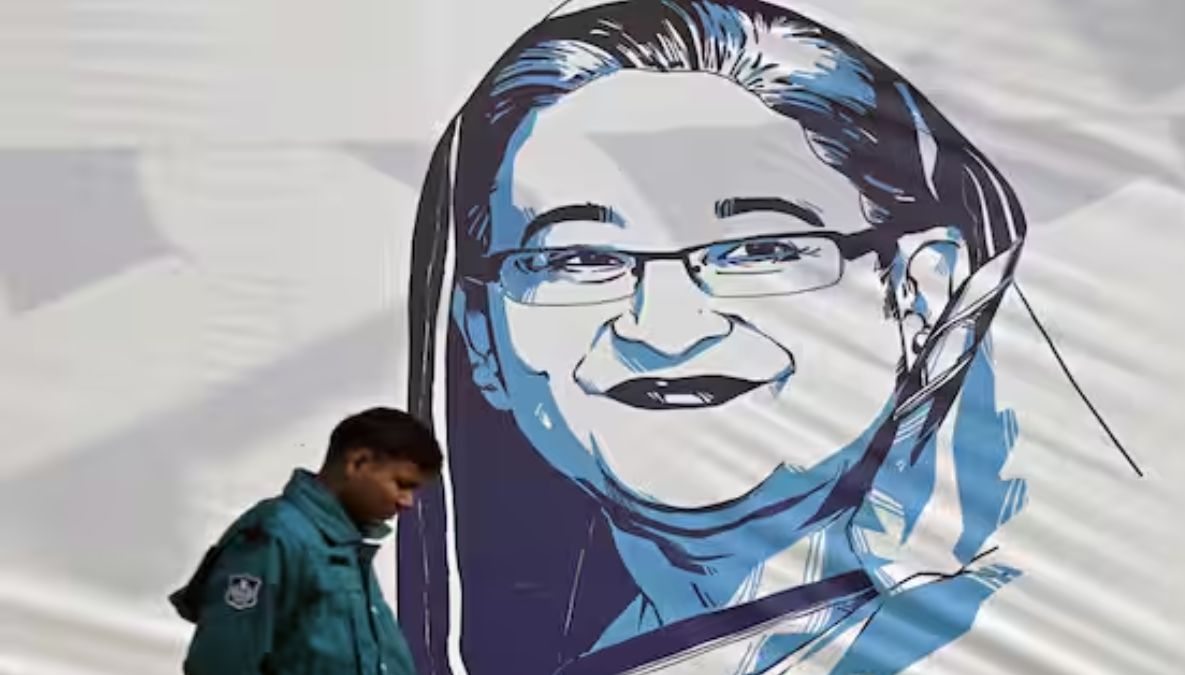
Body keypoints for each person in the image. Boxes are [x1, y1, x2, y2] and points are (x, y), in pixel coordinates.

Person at [399, 1, 1029, 673]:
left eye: (758, 249)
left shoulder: (991, 634)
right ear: (483, 339)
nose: (664, 332)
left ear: (919, 291)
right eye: (579, 258)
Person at [170, 407, 443, 675]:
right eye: (402, 484)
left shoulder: (343, 543)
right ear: (358, 462)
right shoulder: (275, 536)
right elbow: (220, 663)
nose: (407, 502)